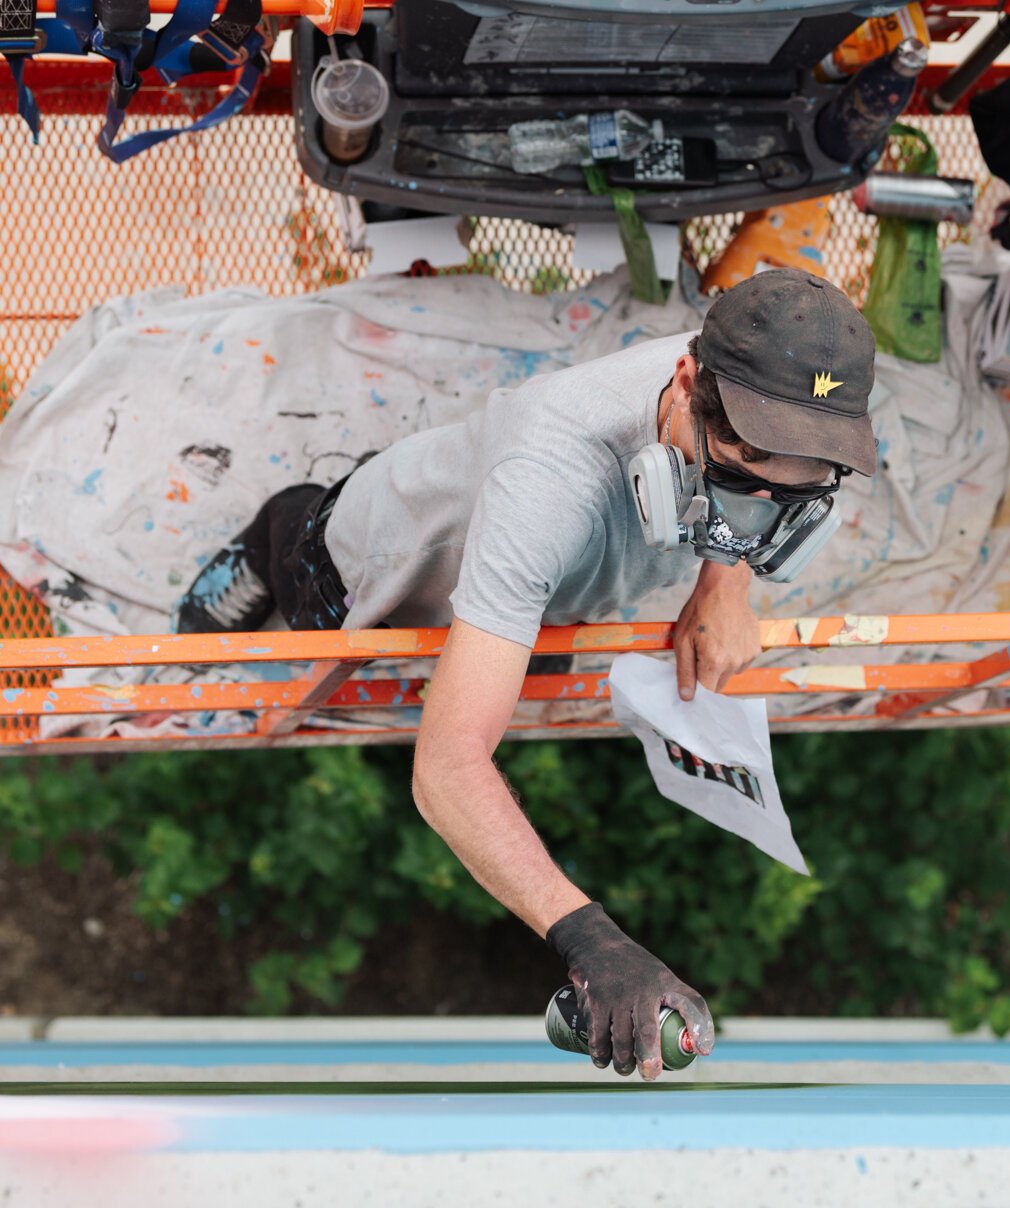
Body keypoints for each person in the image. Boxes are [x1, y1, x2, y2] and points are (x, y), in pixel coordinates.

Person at [174, 270, 878, 1080]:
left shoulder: (756, 378)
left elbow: (759, 483)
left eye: (791, 488)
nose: (754, 510)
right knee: (313, 574)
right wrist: (591, 940)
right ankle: (273, 531)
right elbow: (446, 768)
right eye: (743, 466)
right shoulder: (549, 484)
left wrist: (726, 579)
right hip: (372, 563)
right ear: (687, 384)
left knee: (521, 621)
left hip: (547, 578)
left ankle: (455, 527)